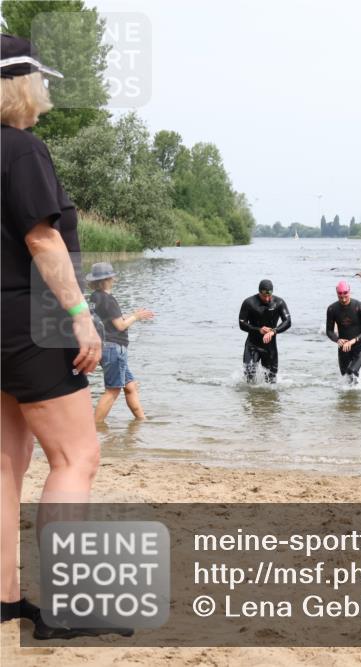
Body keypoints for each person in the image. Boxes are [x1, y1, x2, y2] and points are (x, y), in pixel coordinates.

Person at [1, 34, 130, 640]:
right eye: (42, 80)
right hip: (34, 319)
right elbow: (42, 240)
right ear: (21, 84)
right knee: (77, 456)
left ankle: (5, 598)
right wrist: (82, 315)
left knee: (7, 463)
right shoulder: (22, 149)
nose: (48, 90)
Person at [87, 262, 155, 422]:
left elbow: (101, 319)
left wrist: (131, 315)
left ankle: (142, 421)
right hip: (114, 349)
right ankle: (94, 426)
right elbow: (120, 325)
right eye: (112, 276)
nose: (114, 279)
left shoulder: (94, 298)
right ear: (108, 279)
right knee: (113, 390)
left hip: (104, 347)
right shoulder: (109, 300)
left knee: (130, 387)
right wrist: (136, 317)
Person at [238, 279, 291, 383]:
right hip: (252, 345)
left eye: (269, 296)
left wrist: (274, 331)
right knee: (249, 377)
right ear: (259, 292)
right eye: (264, 296)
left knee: (271, 381)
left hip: (270, 347)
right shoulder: (249, 303)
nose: (267, 299)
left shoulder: (279, 302)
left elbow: (288, 321)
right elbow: (242, 324)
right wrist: (259, 330)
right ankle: (252, 399)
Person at [325, 281, 361, 383]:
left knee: (352, 371)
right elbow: (329, 331)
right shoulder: (332, 309)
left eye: (345, 296)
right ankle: (349, 398)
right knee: (345, 377)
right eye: (340, 296)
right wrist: (337, 340)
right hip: (344, 347)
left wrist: (353, 340)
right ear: (337, 294)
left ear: (349, 292)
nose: (343, 299)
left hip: (360, 346)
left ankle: (358, 396)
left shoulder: (360, 307)